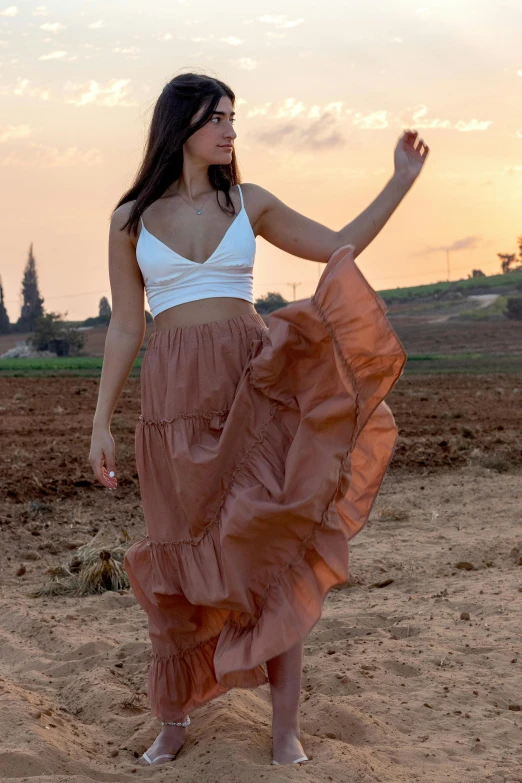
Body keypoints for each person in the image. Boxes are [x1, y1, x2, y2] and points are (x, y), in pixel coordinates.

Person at [89, 71, 428, 768]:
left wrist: (399, 182)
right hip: (173, 405)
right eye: (220, 118)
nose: (232, 132)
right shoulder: (131, 218)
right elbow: (127, 326)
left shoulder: (250, 202)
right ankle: (174, 720)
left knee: (270, 552)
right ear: (182, 125)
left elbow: (340, 243)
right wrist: (101, 421)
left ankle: (284, 730)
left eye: (234, 119)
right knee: (176, 550)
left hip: (251, 389)